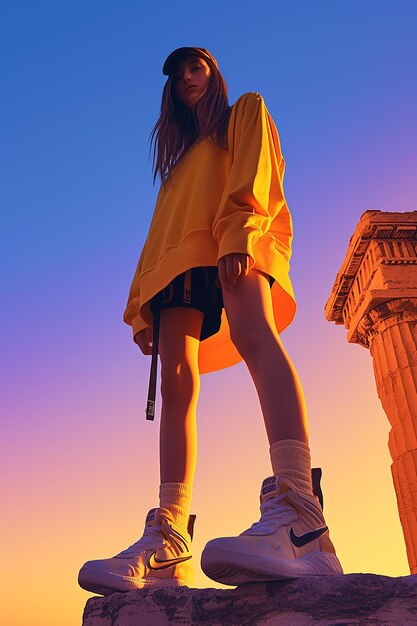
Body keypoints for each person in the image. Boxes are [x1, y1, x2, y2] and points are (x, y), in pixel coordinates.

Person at [78, 46, 343, 595]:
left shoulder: (244, 109)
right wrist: (142, 304)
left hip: (235, 235)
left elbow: (256, 168)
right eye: (177, 75)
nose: (185, 79)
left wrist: (241, 231)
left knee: (255, 334)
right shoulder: (176, 166)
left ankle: (302, 517)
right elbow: (159, 233)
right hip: (179, 265)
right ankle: (169, 538)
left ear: (214, 74)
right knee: (177, 386)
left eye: (194, 67)